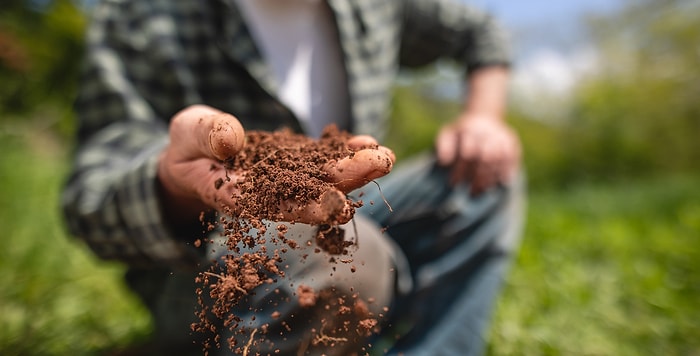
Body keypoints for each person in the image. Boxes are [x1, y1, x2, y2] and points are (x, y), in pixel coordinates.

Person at [61, 0, 525, 355]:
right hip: (207, 260)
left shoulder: (373, 7)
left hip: (351, 210)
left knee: (483, 173)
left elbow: (480, 31)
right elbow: (91, 197)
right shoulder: (143, 14)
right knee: (348, 257)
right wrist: (174, 182)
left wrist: (483, 117)